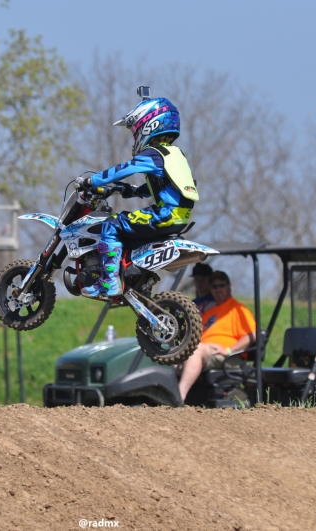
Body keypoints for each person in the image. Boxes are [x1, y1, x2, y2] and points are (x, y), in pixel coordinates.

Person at [76, 89, 199, 298]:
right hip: (180, 216)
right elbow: (166, 185)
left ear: (149, 125)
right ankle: (130, 274)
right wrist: (132, 190)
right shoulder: (175, 154)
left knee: (111, 225)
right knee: (126, 226)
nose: (135, 137)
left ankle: (109, 281)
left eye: (135, 131)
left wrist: (92, 180)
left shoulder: (154, 154)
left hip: (165, 214)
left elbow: (124, 169)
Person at [178, 271, 256, 402]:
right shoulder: (209, 312)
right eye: (214, 286)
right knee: (172, 357)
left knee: (197, 350)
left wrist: (228, 350)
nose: (218, 289)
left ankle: (179, 397)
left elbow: (251, 335)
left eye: (221, 285)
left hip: (229, 357)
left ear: (229, 286)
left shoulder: (238, 309)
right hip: (206, 352)